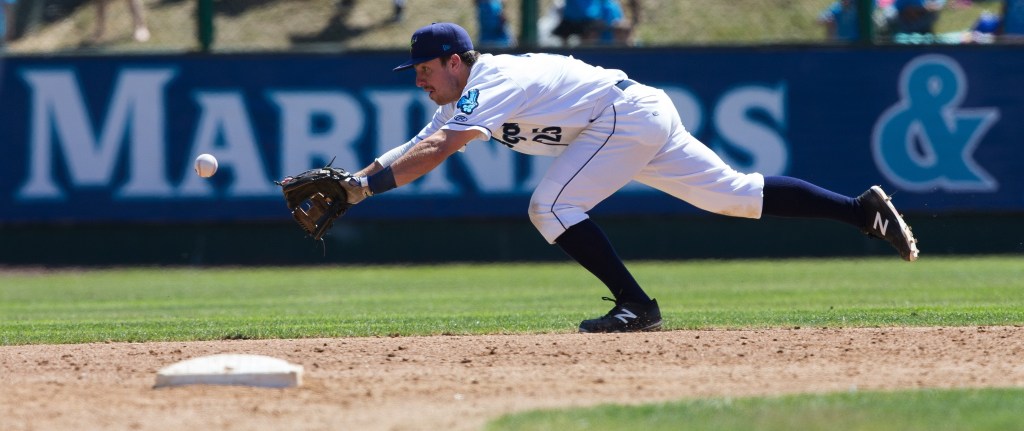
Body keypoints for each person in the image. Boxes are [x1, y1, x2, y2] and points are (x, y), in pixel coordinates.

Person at [338, 23, 920, 333]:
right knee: (735, 196)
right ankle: (860, 211)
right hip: (635, 112)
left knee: (551, 207)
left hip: (621, 118)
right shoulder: (463, 97)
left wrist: (365, 188)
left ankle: (635, 305)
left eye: (424, 69)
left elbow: (438, 150)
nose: (419, 80)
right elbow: (417, 144)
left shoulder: (493, 82)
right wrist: (354, 184)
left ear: (455, 61)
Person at [552, 0, 638, 46]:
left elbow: (619, 22)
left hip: (594, 23)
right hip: (575, 21)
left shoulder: (611, 5)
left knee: (621, 29)